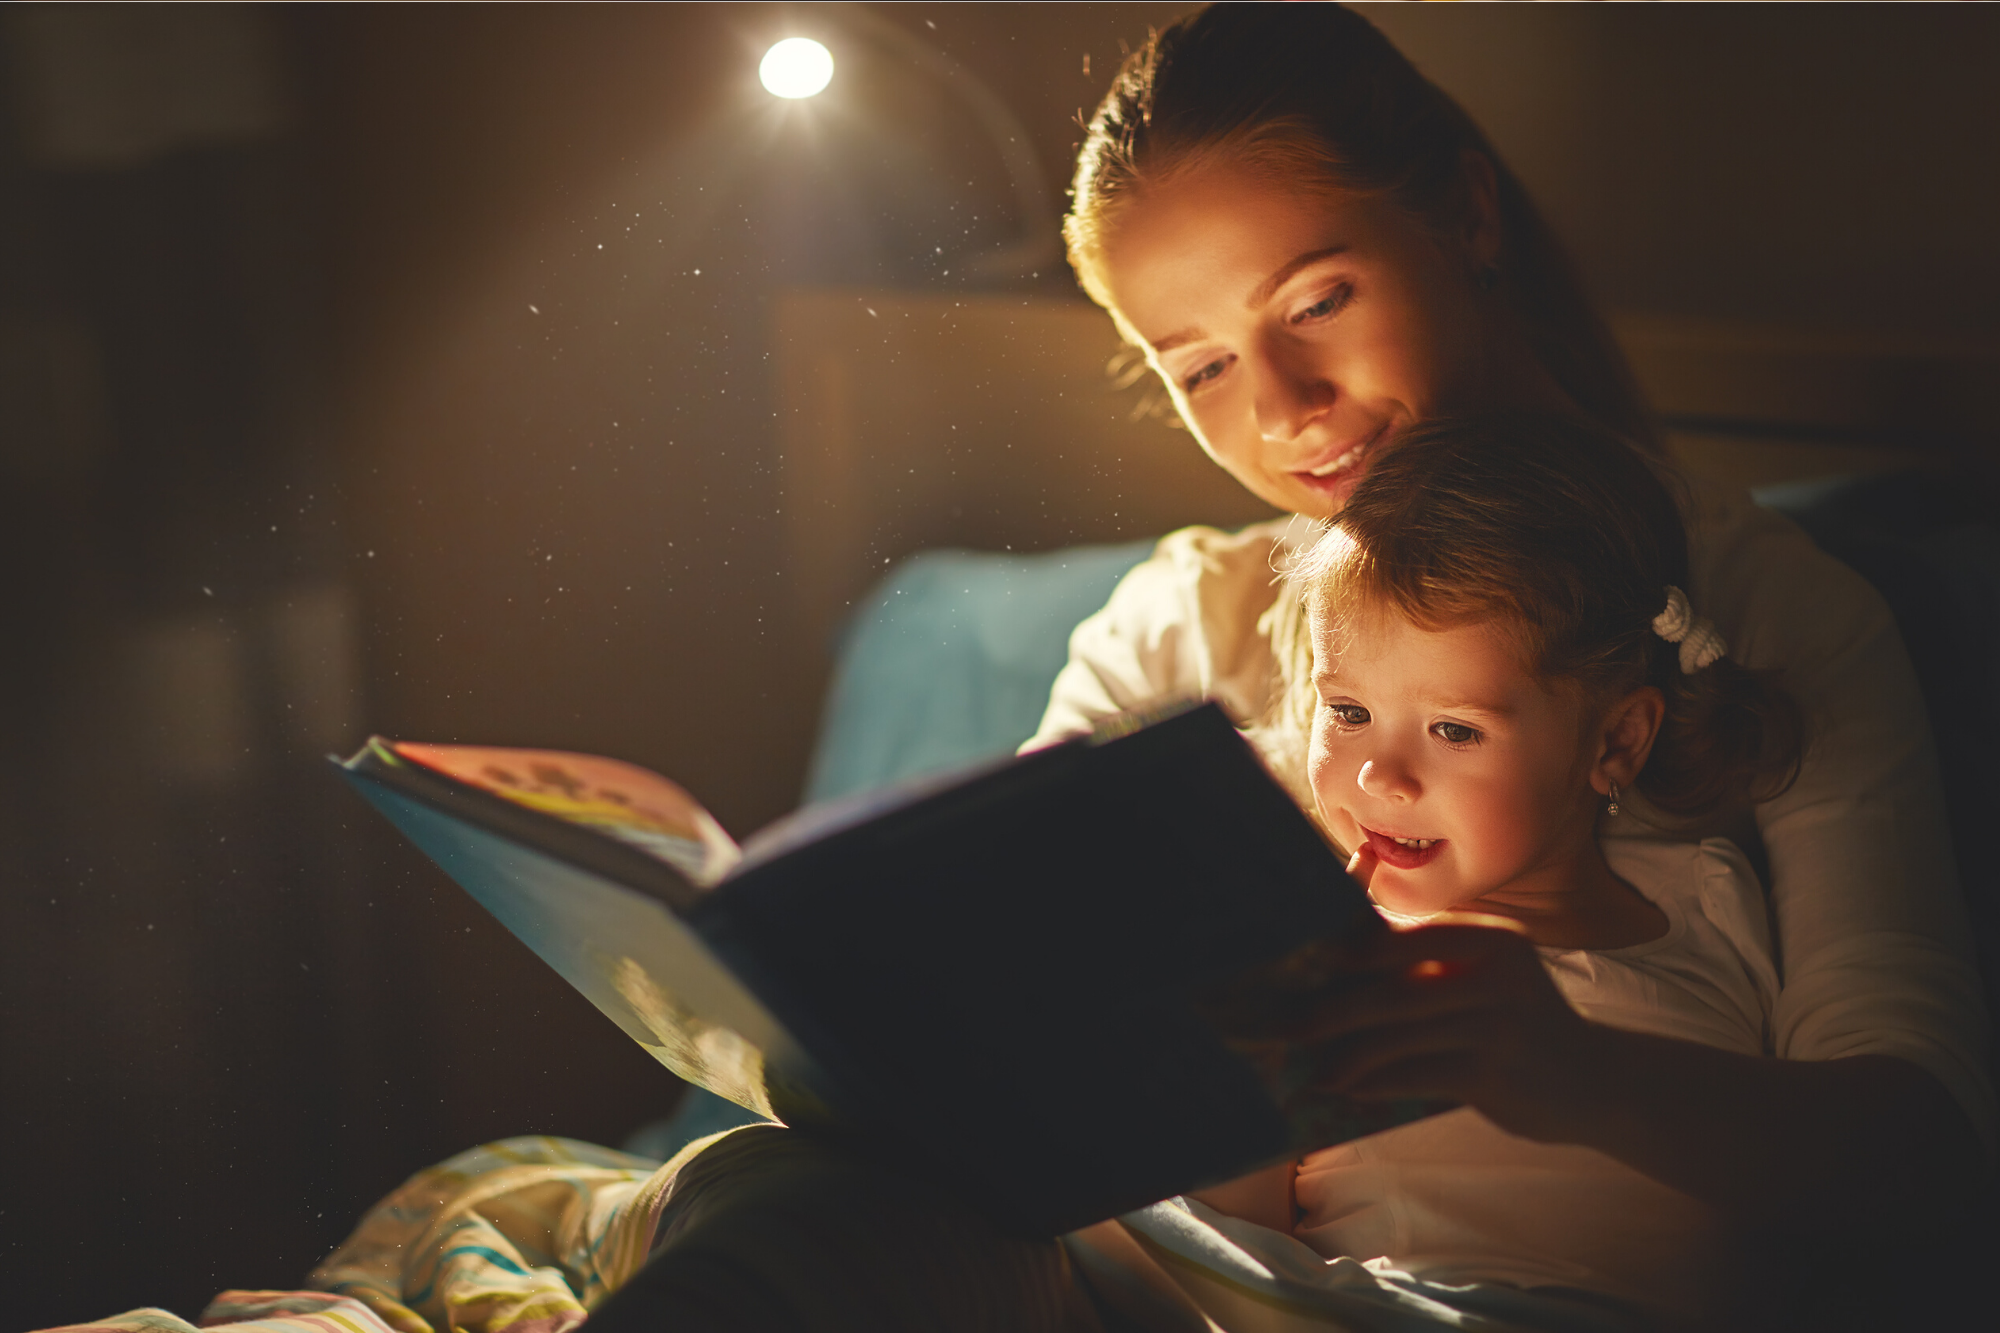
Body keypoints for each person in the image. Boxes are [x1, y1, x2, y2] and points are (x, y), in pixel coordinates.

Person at [1179, 411, 1809, 1323]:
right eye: (1347, 710)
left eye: (1455, 730)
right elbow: (1233, 1253)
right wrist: (1261, 1061)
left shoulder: (1712, 901)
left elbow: (1802, 1204)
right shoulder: (1328, 955)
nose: (1377, 776)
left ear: (1618, 739)